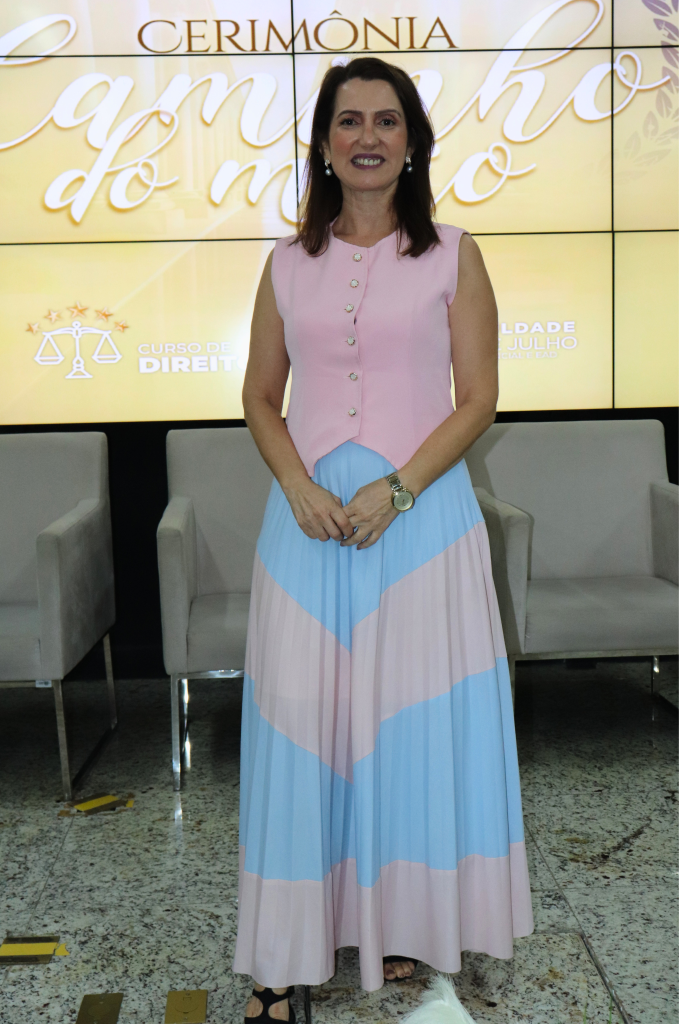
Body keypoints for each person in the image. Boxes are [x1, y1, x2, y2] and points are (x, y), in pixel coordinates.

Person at [236, 56, 534, 1022]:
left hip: (421, 523)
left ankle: (403, 925)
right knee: (300, 728)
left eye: (386, 121)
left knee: (409, 729)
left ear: (412, 144)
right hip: (307, 527)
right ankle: (283, 957)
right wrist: (296, 484)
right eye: (348, 120)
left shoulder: (453, 253)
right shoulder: (285, 263)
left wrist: (398, 490)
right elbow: (259, 395)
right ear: (323, 145)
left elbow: (478, 398)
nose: (367, 137)